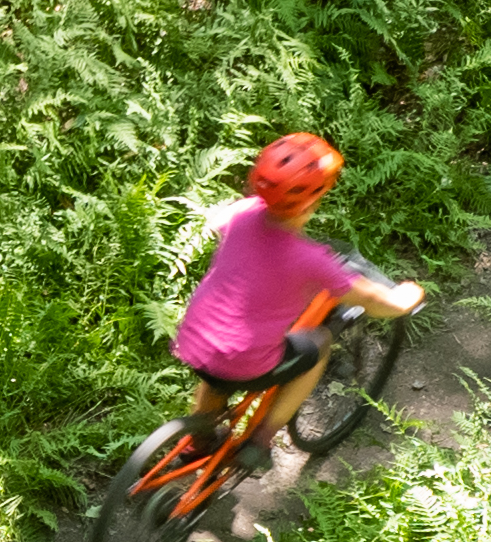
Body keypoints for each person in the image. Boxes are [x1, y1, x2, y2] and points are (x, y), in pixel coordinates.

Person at [174, 131, 425, 430]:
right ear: (312, 201)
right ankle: (263, 437)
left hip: (193, 340)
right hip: (245, 361)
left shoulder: (242, 214)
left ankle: (197, 440)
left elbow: (221, 224)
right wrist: (403, 299)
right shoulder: (310, 261)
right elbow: (370, 299)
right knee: (318, 344)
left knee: (216, 374)